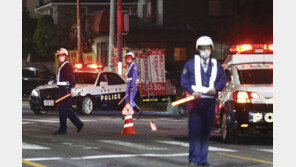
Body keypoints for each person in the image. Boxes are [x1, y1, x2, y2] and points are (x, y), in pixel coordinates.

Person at [181, 36, 226, 166]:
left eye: (207, 48)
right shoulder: (190, 64)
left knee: (206, 131)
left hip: (209, 102)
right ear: (197, 49)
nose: (205, 51)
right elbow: (184, 81)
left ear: (211, 49)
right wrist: (191, 91)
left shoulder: (216, 65)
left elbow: (222, 80)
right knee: (195, 129)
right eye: (202, 48)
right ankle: (193, 157)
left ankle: (202, 159)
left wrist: (216, 88)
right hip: (195, 102)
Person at [54, 47, 84, 135]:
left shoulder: (67, 65)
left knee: (63, 110)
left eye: (62, 55)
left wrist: (71, 89)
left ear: (66, 56)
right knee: (67, 110)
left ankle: (63, 128)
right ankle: (79, 124)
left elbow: (71, 79)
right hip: (62, 90)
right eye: (59, 56)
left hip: (66, 91)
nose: (60, 57)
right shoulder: (62, 65)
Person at [125, 51, 142, 119]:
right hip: (129, 83)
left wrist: (132, 86)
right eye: (127, 57)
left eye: (129, 57)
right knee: (128, 99)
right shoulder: (130, 65)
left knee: (130, 99)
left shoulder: (134, 66)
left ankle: (129, 115)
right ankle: (138, 110)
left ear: (132, 58)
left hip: (132, 83)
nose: (127, 59)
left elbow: (134, 76)